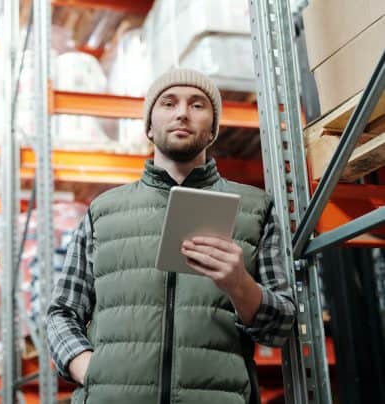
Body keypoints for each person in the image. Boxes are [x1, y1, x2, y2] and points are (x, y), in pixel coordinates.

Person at [46, 68, 296, 404]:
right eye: (168, 103)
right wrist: (87, 368)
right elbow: (62, 311)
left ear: (212, 130)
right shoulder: (103, 212)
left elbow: (280, 327)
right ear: (148, 126)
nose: (182, 112)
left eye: (197, 105)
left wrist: (240, 285)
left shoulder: (255, 209)